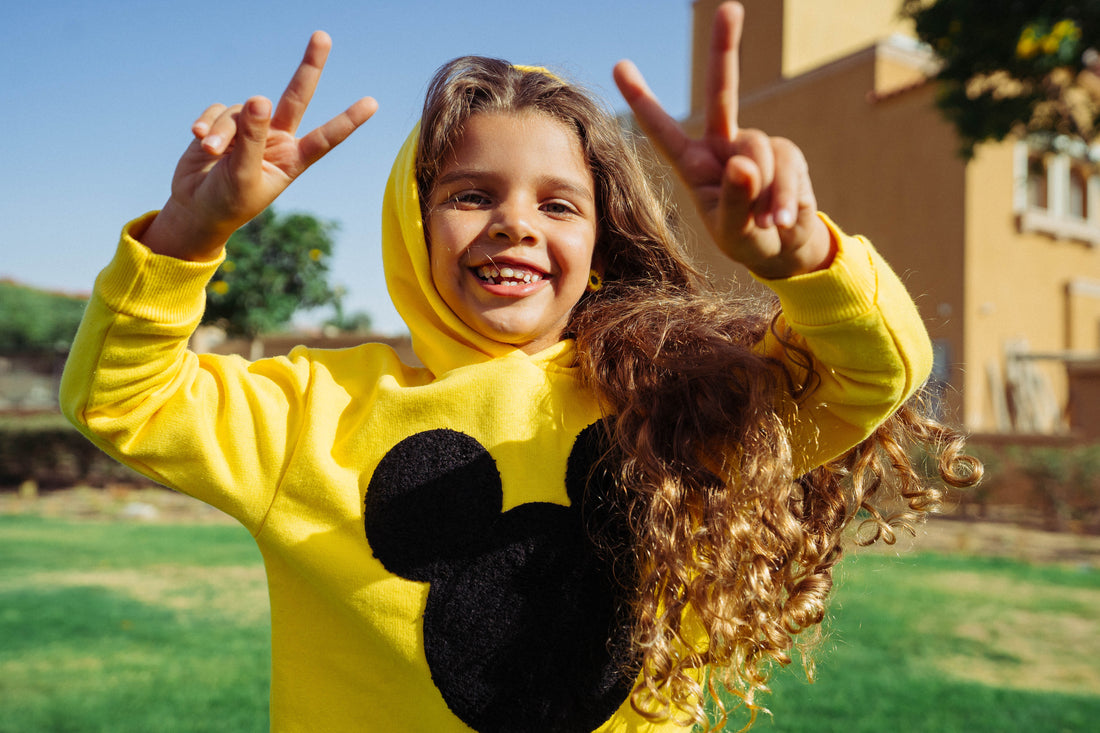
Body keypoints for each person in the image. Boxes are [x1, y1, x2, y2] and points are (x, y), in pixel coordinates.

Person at [61, 3, 978, 731]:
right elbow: (120, 395)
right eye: (470, 195)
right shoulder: (315, 407)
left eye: (559, 203)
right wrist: (190, 235)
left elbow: (872, 370)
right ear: (412, 226)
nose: (515, 224)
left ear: (603, 237)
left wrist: (801, 255)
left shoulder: (674, 396)